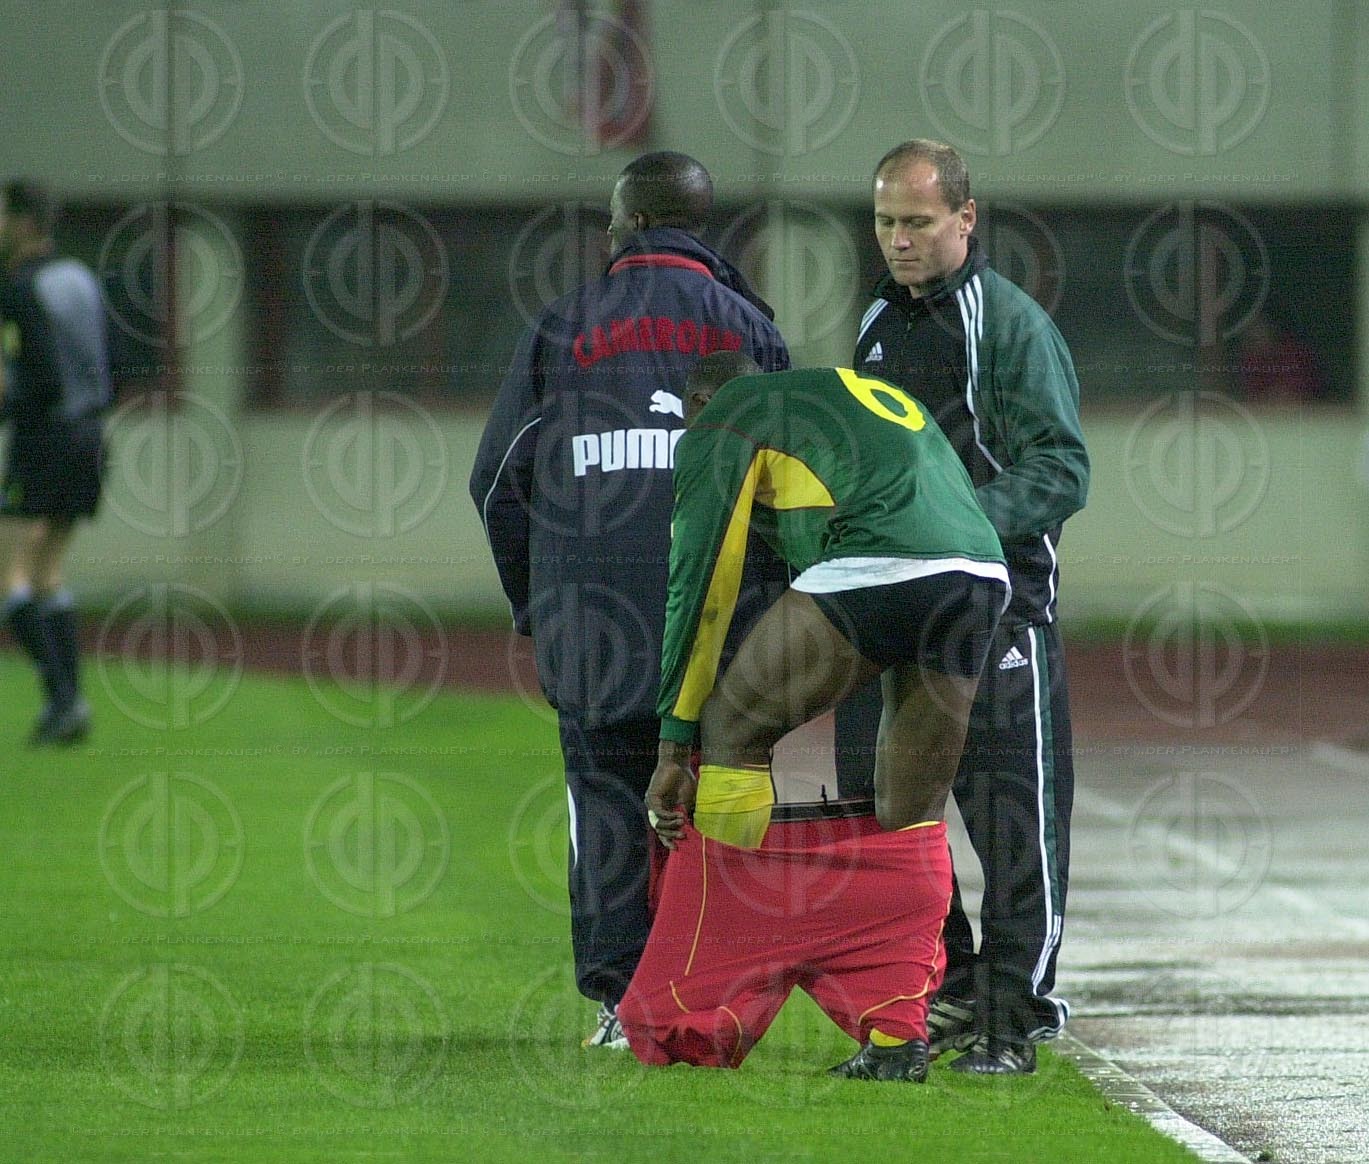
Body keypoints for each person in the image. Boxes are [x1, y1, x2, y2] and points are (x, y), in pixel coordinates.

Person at [469, 152, 789, 1048]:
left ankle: (622, 1001)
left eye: (612, 220)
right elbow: (787, 483)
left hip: (592, 617)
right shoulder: (751, 329)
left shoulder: (561, 327)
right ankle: (707, 994)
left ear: (633, 223)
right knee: (713, 798)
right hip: (722, 622)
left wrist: (535, 603)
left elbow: (496, 482)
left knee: (606, 797)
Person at [617, 354, 1010, 1081]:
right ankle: (896, 1038)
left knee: (733, 729)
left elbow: (701, 584)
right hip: (980, 574)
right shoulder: (845, 398)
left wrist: (674, 745)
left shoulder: (721, 419)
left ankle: (701, 1002)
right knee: (910, 814)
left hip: (881, 566)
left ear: (698, 403)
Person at [838, 139, 1089, 1074]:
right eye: (883, 222)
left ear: (965, 220)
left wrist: (955, 524)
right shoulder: (875, 321)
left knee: (1011, 822)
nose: (896, 240)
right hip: (895, 611)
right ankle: (948, 988)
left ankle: (1015, 1015)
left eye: (916, 221)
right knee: (885, 810)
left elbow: (1061, 468)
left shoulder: (1010, 326)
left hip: (997, 614)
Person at [0, 179, 111, 745]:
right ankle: (70, 707)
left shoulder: (20, 288)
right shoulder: (81, 279)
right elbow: (111, 362)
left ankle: (64, 701)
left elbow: (39, 380)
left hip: (44, 438)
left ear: (22, 222)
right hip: (90, 437)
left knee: (11, 575)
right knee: (48, 572)